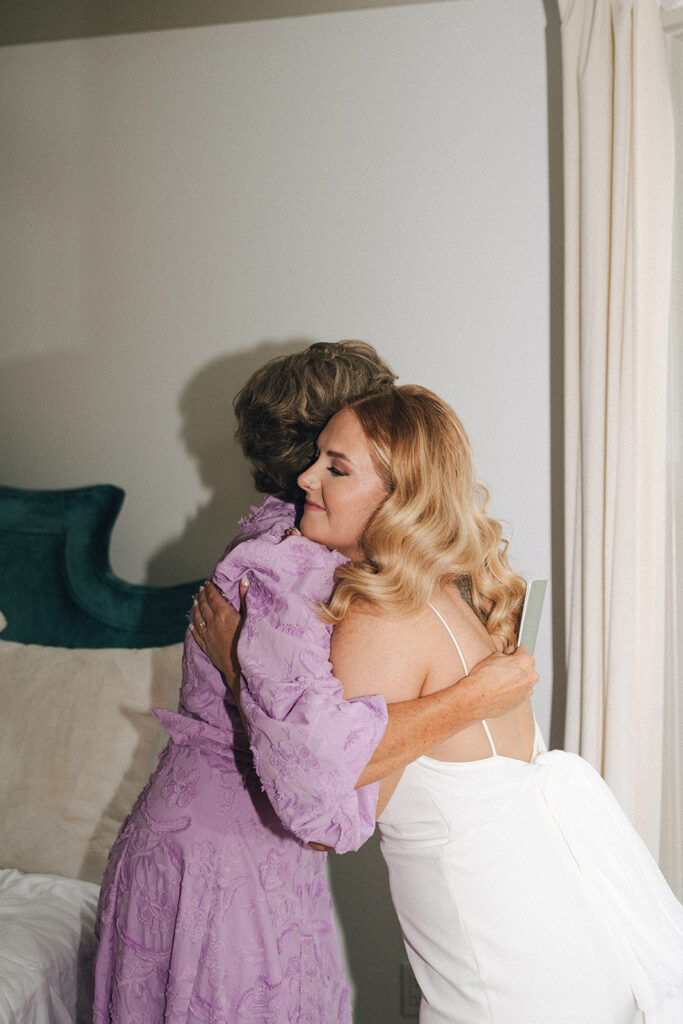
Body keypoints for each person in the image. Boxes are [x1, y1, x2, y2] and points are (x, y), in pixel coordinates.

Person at [198, 383, 683, 1024]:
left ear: (397, 499)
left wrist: (239, 670)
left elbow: (320, 812)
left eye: (337, 469)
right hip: (557, 936)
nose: (307, 477)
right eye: (317, 457)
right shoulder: (443, 594)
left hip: (511, 973)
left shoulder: (381, 615)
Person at [92, 342, 537, 1024]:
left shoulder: (332, 552)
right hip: (219, 861)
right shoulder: (286, 568)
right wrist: (470, 698)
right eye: (338, 448)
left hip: (238, 852)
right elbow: (322, 794)